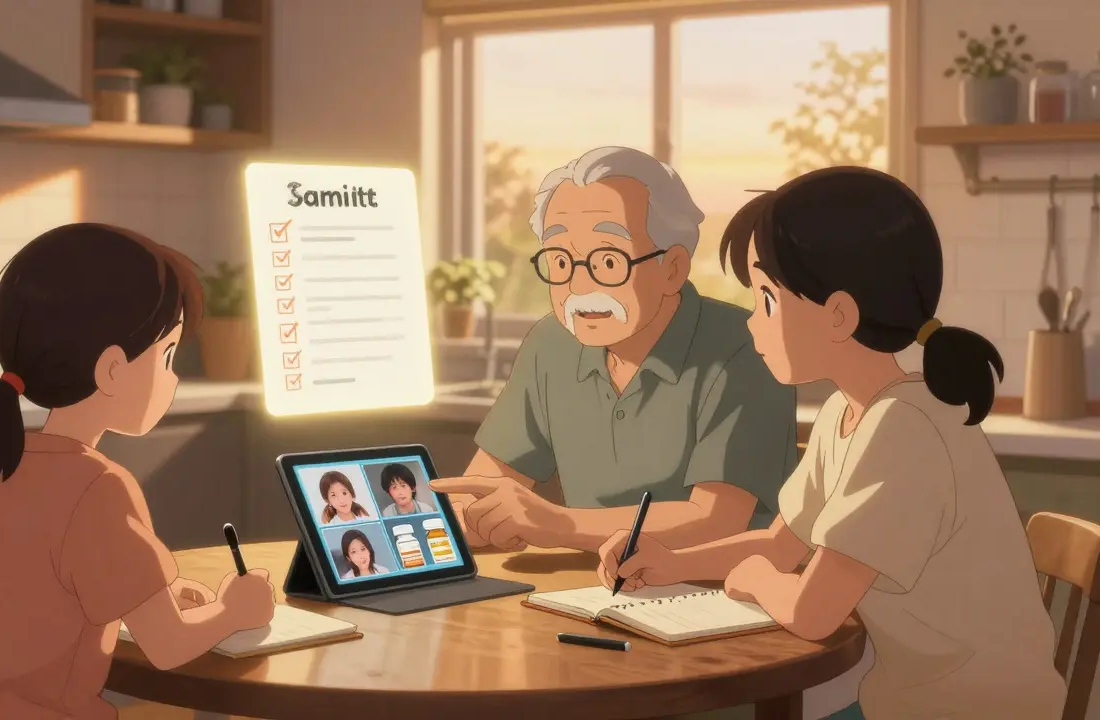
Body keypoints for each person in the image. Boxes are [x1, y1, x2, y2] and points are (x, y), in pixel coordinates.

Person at [597, 167, 1065, 720]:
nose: (752, 324)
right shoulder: (848, 412)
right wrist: (671, 562)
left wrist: (753, 581)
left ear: (839, 314)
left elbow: (812, 611)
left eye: (767, 300)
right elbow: (779, 545)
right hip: (911, 700)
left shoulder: (904, 428)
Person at [0, 224, 276, 720]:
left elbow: (35, 598)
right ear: (112, 369)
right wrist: (235, 611)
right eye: (168, 355)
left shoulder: (7, 462)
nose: (175, 376)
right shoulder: (99, 487)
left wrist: (144, 596)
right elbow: (168, 646)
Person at [430, 146, 797, 554]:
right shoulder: (551, 344)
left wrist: (558, 524)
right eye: (560, 261)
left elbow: (714, 521)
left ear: (672, 268)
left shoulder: (747, 346)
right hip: (582, 588)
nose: (580, 287)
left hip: (722, 592)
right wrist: (472, 519)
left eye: (608, 262)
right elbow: (482, 487)